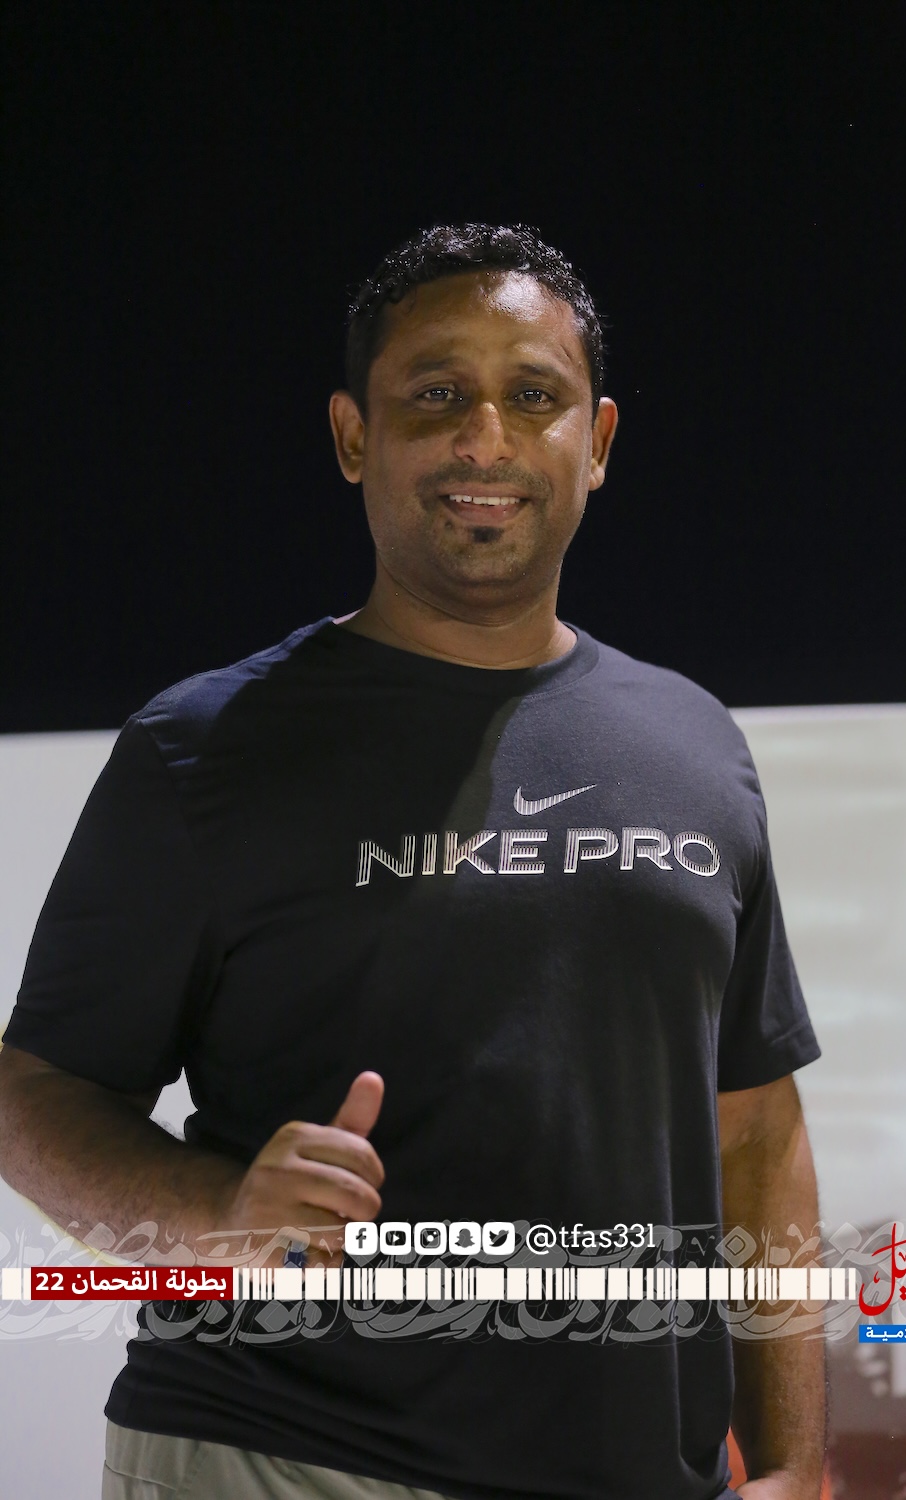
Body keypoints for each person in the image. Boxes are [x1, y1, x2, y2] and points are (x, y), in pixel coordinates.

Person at [0, 223, 825, 1500]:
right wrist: (218, 1220)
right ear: (353, 436)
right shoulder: (204, 748)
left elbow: (755, 1131)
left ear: (596, 442)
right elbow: (34, 1094)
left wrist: (794, 1459)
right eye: (436, 394)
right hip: (285, 1459)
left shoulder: (694, 744)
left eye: (532, 396)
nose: (484, 439)